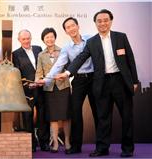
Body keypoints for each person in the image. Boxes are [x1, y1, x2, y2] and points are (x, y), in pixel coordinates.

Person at [56, 9, 139, 157]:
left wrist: (134, 80)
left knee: (126, 116)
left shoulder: (121, 37)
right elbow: (81, 58)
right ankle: (102, 148)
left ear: (111, 21)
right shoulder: (92, 42)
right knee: (103, 118)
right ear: (95, 23)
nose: (103, 23)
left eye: (105, 20)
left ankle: (127, 149)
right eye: (99, 21)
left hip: (121, 81)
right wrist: (68, 73)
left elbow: (130, 59)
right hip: (102, 83)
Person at [37, 17, 98, 154]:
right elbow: (58, 65)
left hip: (94, 78)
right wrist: (46, 79)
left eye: (73, 26)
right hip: (78, 80)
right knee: (75, 113)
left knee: (98, 112)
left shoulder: (91, 39)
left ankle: (101, 146)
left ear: (78, 26)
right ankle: (76, 146)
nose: (71, 29)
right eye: (68, 27)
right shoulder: (66, 48)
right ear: (65, 31)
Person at [34, 28, 71, 153]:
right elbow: (39, 72)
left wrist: (65, 75)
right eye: (46, 37)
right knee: (53, 118)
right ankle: (55, 143)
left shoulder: (63, 51)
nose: (49, 39)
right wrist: (37, 81)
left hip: (63, 87)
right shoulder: (41, 54)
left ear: (55, 37)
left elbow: (69, 68)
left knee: (66, 116)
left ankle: (67, 141)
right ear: (43, 40)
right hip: (49, 89)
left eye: (51, 36)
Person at [12, 29, 50, 152]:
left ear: (31, 38)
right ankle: (31, 144)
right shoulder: (15, 54)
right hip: (27, 90)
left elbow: (45, 66)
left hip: (42, 88)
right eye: (24, 39)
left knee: (43, 116)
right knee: (27, 118)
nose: (26, 41)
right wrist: (27, 85)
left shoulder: (39, 48)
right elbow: (16, 73)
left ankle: (44, 143)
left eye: (28, 38)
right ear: (19, 40)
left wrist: (44, 79)